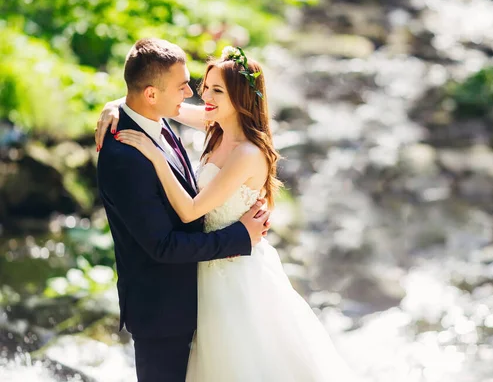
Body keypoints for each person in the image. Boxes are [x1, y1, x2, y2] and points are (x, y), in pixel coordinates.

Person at [97, 45, 358, 381]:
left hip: (235, 274)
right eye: (202, 86)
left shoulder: (246, 152)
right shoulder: (212, 125)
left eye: (214, 89)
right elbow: (161, 107)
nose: (197, 94)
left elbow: (190, 211)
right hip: (192, 287)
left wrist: (156, 157)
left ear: (240, 98)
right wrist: (116, 106)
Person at [96, 38, 270, 382]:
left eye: (209, 89)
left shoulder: (164, 120)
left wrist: (120, 103)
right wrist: (241, 236)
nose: (192, 95)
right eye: (185, 86)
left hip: (212, 294)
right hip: (163, 312)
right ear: (151, 94)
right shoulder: (124, 156)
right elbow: (163, 245)